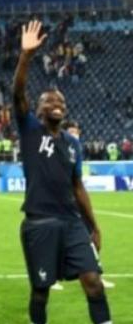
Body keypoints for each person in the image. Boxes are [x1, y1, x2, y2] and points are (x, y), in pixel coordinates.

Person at [12, 21, 132, 324]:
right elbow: (18, 93)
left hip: (72, 224)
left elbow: (78, 186)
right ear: (38, 109)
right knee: (41, 291)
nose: (57, 103)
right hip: (40, 224)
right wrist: (26, 55)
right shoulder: (31, 131)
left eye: (61, 100)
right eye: (50, 100)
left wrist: (93, 225)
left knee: (93, 282)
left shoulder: (73, 144)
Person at [62, 119, 114, 291]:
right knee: (56, 239)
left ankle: (96, 274)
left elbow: (77, 182)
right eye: (71, 131)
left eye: (76, 131)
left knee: (91, 233)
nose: (74, 134)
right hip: (60, 202)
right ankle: (49, 277)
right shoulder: (59, 150)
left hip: (75, 201)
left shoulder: (76, 150)